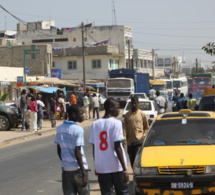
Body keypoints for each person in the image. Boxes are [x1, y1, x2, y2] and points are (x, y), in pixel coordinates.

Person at [89, 98, 129, 195]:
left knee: (107, 193)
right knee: (123, 192)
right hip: (116, 166)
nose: (118, 111)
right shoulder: (117, 123)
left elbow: (95, 148)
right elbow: (117, 147)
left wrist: (97, 166)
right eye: (117, 108)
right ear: (111, 108)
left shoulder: (95, 124)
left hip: (102, 167)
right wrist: (125, 169)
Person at [54, 104, 89, 195]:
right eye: (81, 113)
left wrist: (65, 161)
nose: (83, 116)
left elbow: (59, 149)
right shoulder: (78, 130)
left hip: (66, 170)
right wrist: (84, 174)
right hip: (78, 170)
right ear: (73, 114)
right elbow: (77, 152)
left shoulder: (60, 128)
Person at [124, 96, 149, 168]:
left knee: (138, 161)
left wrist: (143, 136)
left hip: (139, 142)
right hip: (130, 143)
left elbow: (146, 128)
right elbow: (125, 128)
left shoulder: (142, 114)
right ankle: (134, 173)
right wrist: (124, 138)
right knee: (132, 161)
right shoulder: (127, 115)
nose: (133, 105)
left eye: (135, 103)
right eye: (132, 103)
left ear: (137, 103)